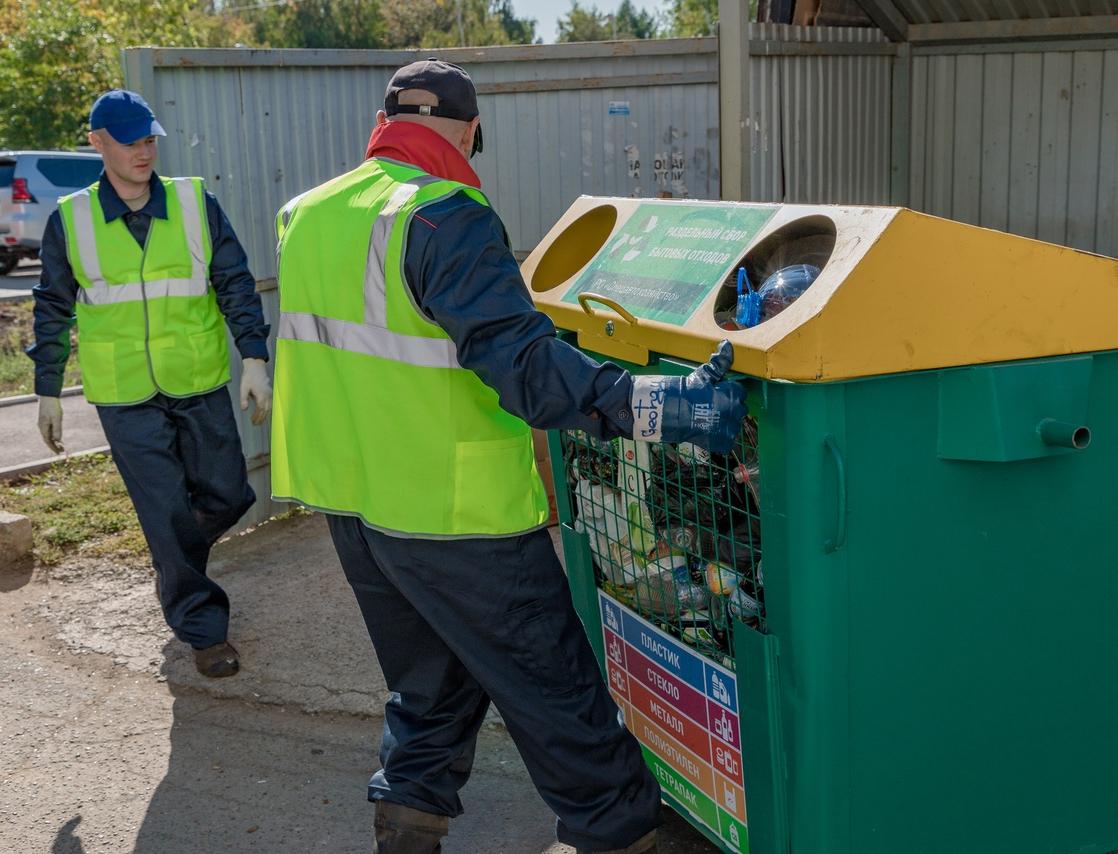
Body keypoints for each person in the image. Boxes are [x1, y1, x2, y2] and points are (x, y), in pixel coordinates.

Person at [270, 59, 748, 853]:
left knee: (431, 680)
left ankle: (410, 813)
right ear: (468, 130)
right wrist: (656, 405)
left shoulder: (307, 213)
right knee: (552, 687)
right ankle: (618, 828)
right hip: (457, 513)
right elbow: (523, 367)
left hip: (354, 506)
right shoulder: (441, 214)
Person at [27, 90, 272, 678]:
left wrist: (255, 358)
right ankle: (204, 629)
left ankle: (172, 557)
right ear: (97, 142)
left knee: (230, 493)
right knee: (164, 508)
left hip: (198, 377)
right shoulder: (73, 218)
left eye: (149, 138)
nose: (143, 151)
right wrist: (46, 389)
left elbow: (234, 282)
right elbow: (52, 308)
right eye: (129, 140)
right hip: (124, 394)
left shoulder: (194, 203)